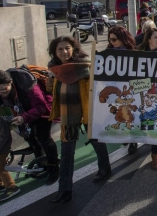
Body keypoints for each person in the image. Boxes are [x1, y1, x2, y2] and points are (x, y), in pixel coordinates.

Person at [47, 36, 111, 204]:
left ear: (74, 49)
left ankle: (104, 168)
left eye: (67, 48)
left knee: (96, 141)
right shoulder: (55, 70)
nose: (64, 52)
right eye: (59, 49)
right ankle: (65, 189)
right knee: (67, 151)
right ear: (54, 52)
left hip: (87, 112)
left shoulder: (86, 66)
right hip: (68, 116)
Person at [0, 69, 60, 185]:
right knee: (30, 137)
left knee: (43, 137)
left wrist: (24, 117)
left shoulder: (28, 84)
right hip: (22, 109)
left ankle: (54, 167)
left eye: (2, 90)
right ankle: (41, 162)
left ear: (10, 82)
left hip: (42, 108)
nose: (0, 94)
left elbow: (41, 107)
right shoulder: (0, 91)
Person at [137, 28, 157, 170]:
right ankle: (150, 148)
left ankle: (155, 152)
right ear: (148, 39)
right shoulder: (139, 54)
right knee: (146, 120)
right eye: (156, 37)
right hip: (144, 91)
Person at [107, 26, 139, 155]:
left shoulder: (133, 53)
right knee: (118, 114)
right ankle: (124, 136)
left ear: (123, 39)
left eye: (114, 39)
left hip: (129, 89)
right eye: (110, 40)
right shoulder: (108, 53)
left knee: (130, 115)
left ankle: (133, 140)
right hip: (115, 88)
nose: (112, 42)